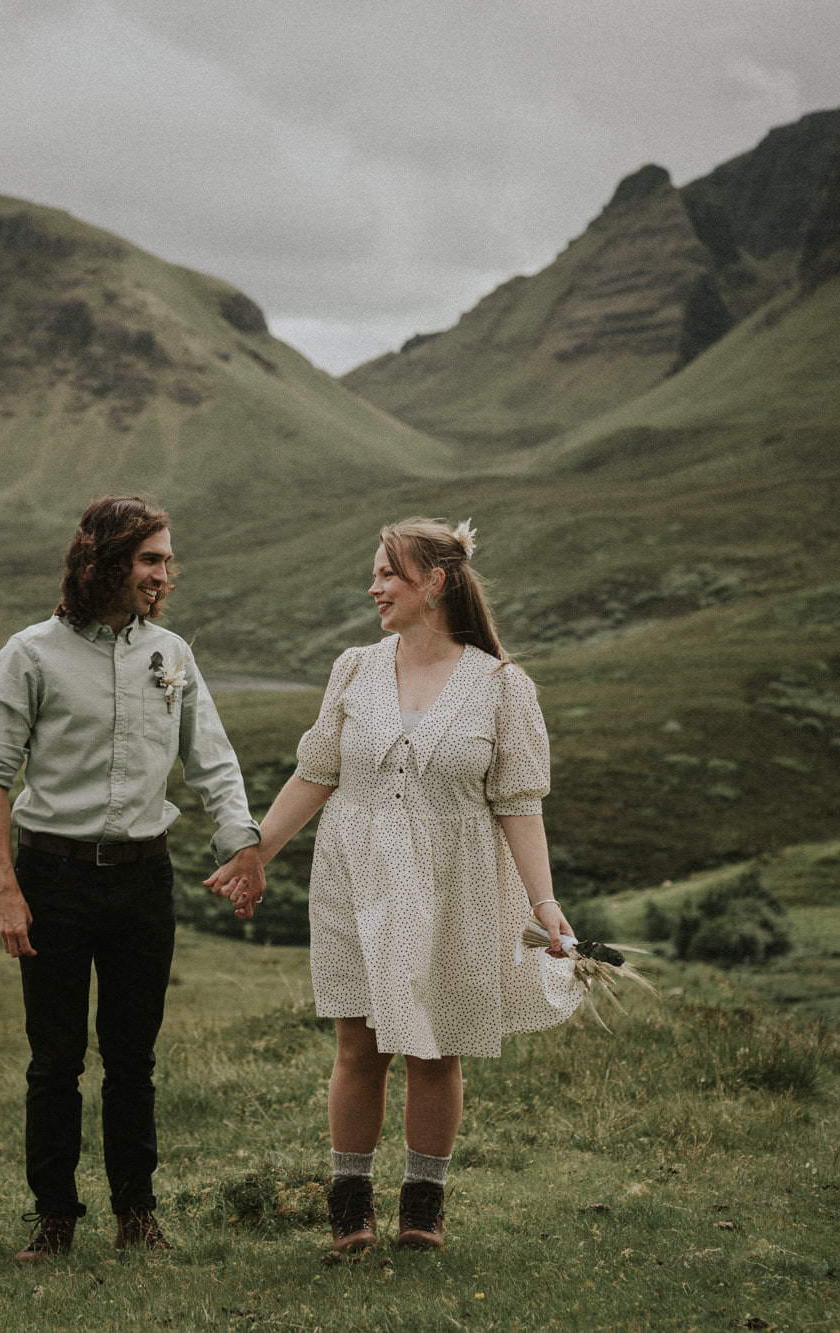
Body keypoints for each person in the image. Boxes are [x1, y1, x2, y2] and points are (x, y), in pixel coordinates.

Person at [207, 516, 582, 1255]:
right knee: (357, 1040)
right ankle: (351, 1209)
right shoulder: (354, 668)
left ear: (435, 583)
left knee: (436, 1044)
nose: (374, 586)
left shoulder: (502, 687)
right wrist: (259, 854)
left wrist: (544, 903)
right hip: (355, 875)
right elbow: (317, 770)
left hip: (453, 883)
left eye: (388, 573)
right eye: (376, 572)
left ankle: (423, 1207)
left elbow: (519, 804)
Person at [0, 495, 265, 1261]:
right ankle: (54, 1220)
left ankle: (138, 1213)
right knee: (55, 1059)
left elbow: (213, 760)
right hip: (53, 877)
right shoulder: (29, 653)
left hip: (144, 878)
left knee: (134, 1057)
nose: (166, 574)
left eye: (166, 560)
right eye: (150, 559)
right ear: (101, 561)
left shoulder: (171, 655)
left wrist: (243, 846)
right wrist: (7, 890)